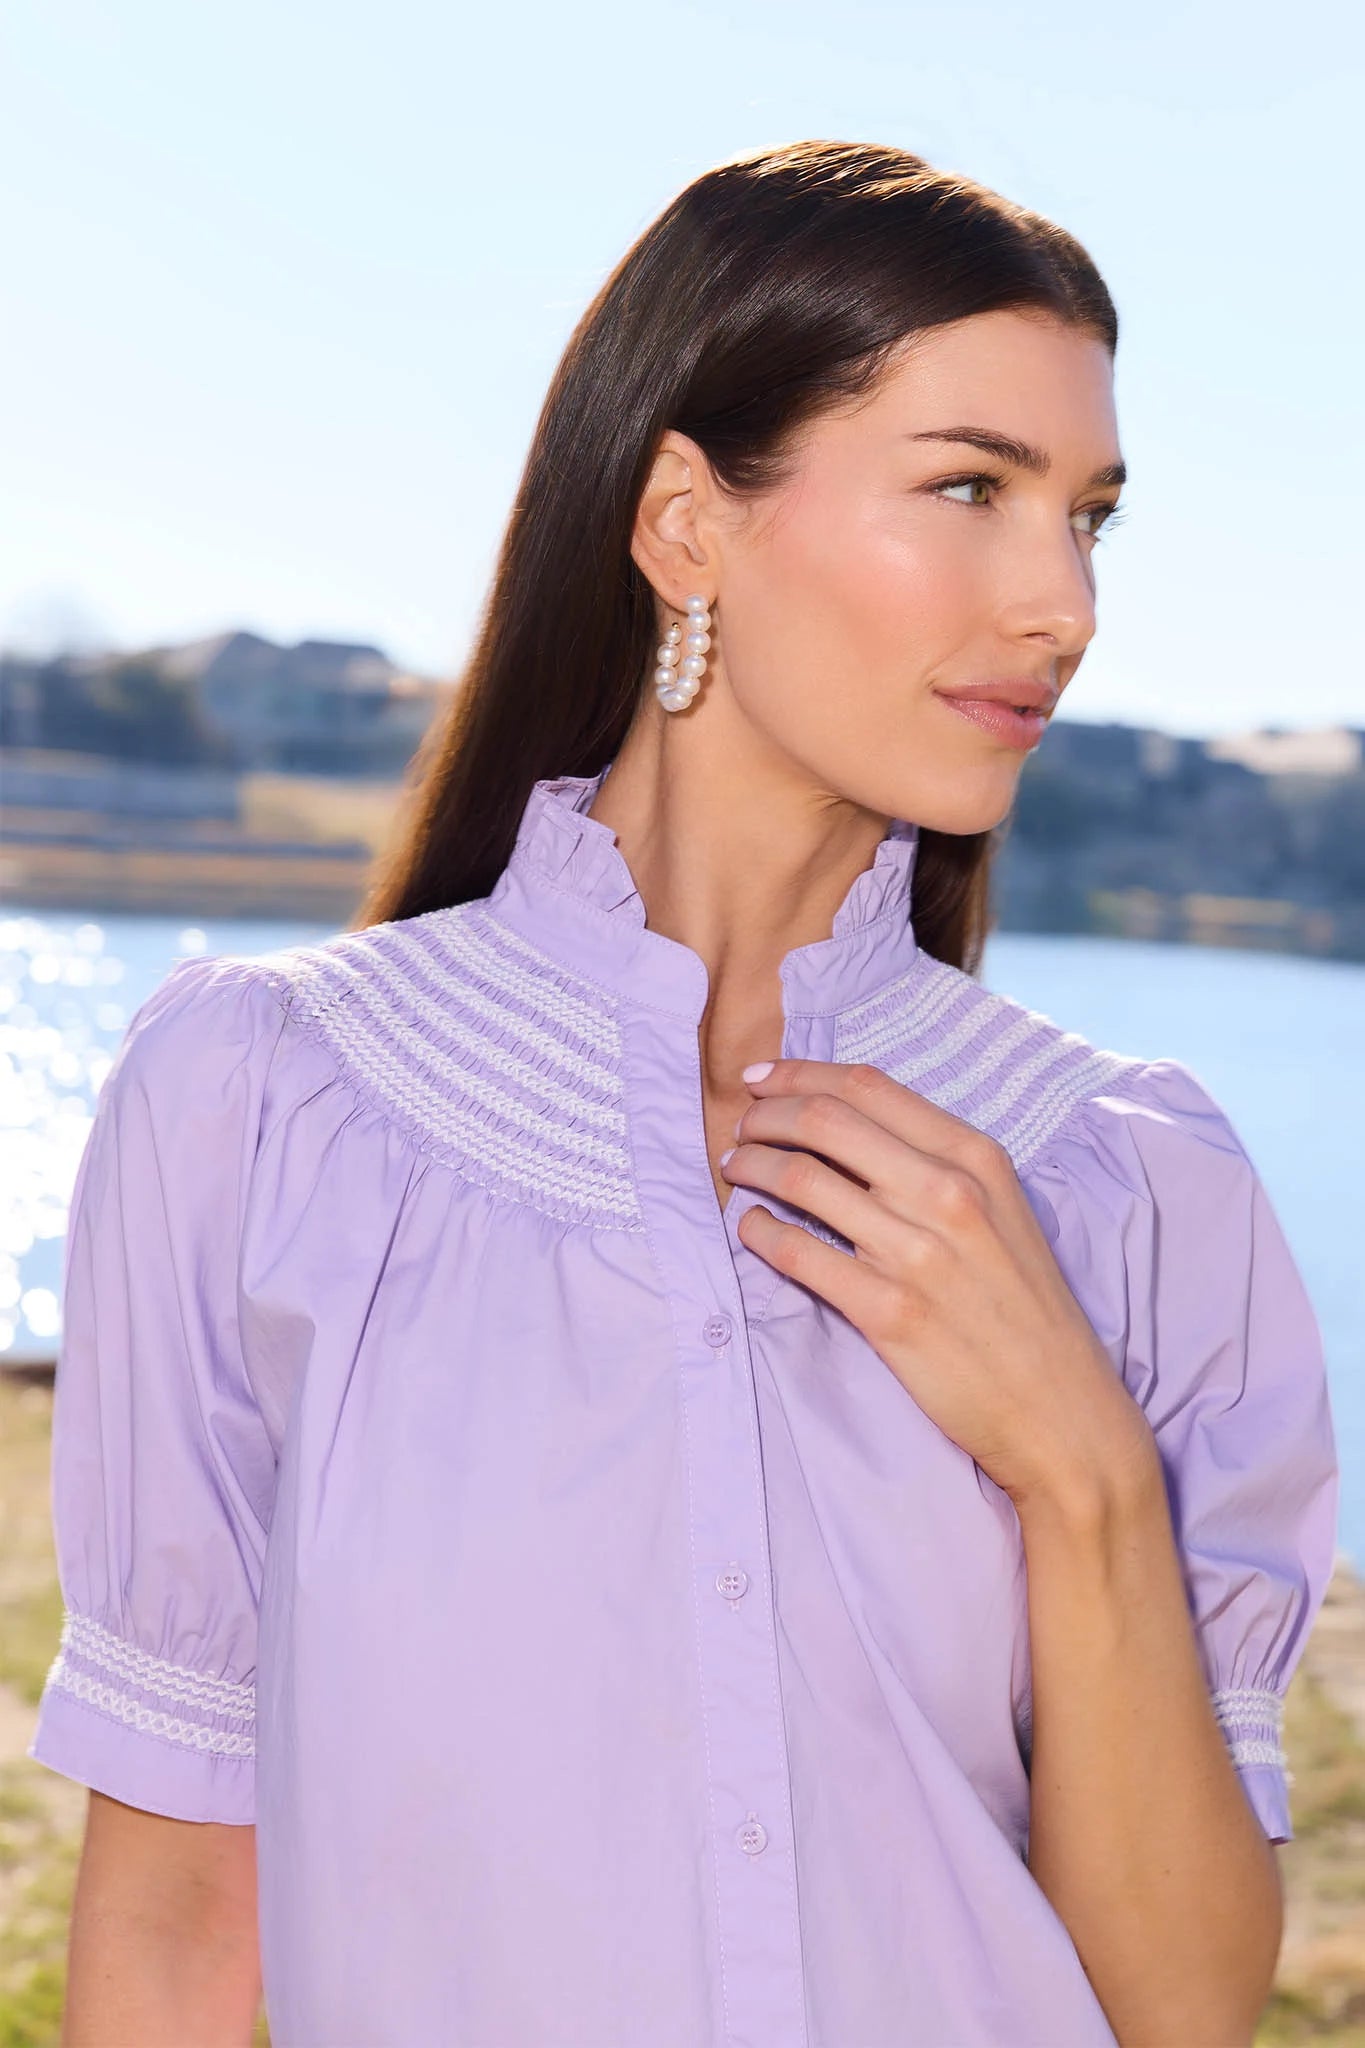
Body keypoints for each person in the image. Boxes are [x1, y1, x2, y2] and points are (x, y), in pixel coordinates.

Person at [31, 140, 1339, 2048]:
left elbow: (1187, 2004)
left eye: (1089, 516)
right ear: (682, 522)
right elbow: (167, 1931)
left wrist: (1078, 1471)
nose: (1059, 601)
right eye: (970, 487)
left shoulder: (1133, 1186)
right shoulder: (264, 1100)